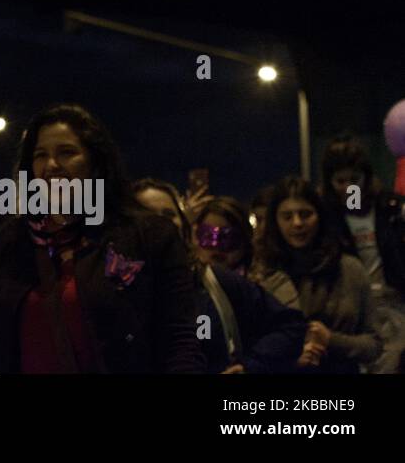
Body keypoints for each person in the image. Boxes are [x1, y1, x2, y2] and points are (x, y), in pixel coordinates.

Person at [0, 106, 204, 373]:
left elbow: (179, 341)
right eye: (40, 155)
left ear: (95, 163)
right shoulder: (13, 240)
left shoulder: (147, 235)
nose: (51, 165)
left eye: (66, 152)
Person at [134, 179, 304, 374]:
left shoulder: (213, 281)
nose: (159, 223)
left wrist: (251, 366)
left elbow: (291, 325)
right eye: (146, 214)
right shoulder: (113, 289)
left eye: (169, 214)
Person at [258, 176, 381, 374]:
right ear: (276, 221)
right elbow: (250, 345)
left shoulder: (349, 269)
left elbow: (374, 345)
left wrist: (331, 340)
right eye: (287, 216)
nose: (297, 223)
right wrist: (289, 357)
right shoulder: (263, 275)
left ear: (320, 216)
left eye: (305, 214)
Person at [320, 134, 405, 372]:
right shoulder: (327, 218)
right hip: (354, 308)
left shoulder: (389, 209)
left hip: (393, 302)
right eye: (340, 181)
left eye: (355, 179)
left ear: (366, 177)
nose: (349, 188)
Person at [193, 196, 253, 276]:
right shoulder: (184, 284)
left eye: (228, 238)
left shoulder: (254, 286)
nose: (216, 247)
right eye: (208, 236)